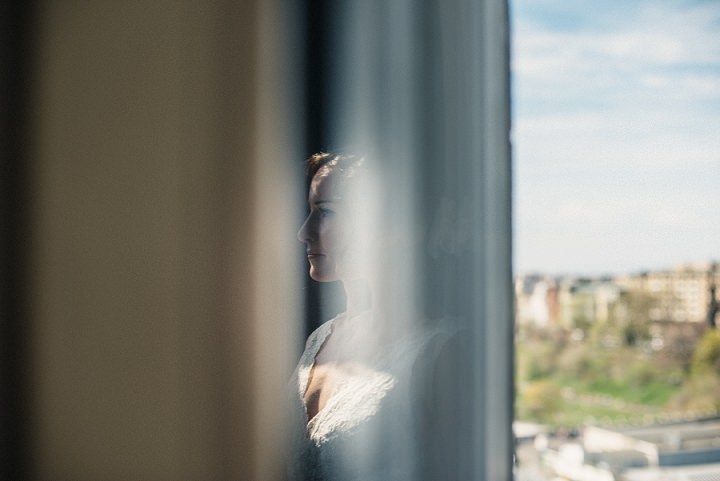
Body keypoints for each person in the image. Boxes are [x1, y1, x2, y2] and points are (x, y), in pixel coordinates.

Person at [288, 152, 471, 481]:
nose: (304, 231)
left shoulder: (441, 355)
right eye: (310, 211)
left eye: (326, 211)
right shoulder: (321, 339)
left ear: (395, 226)